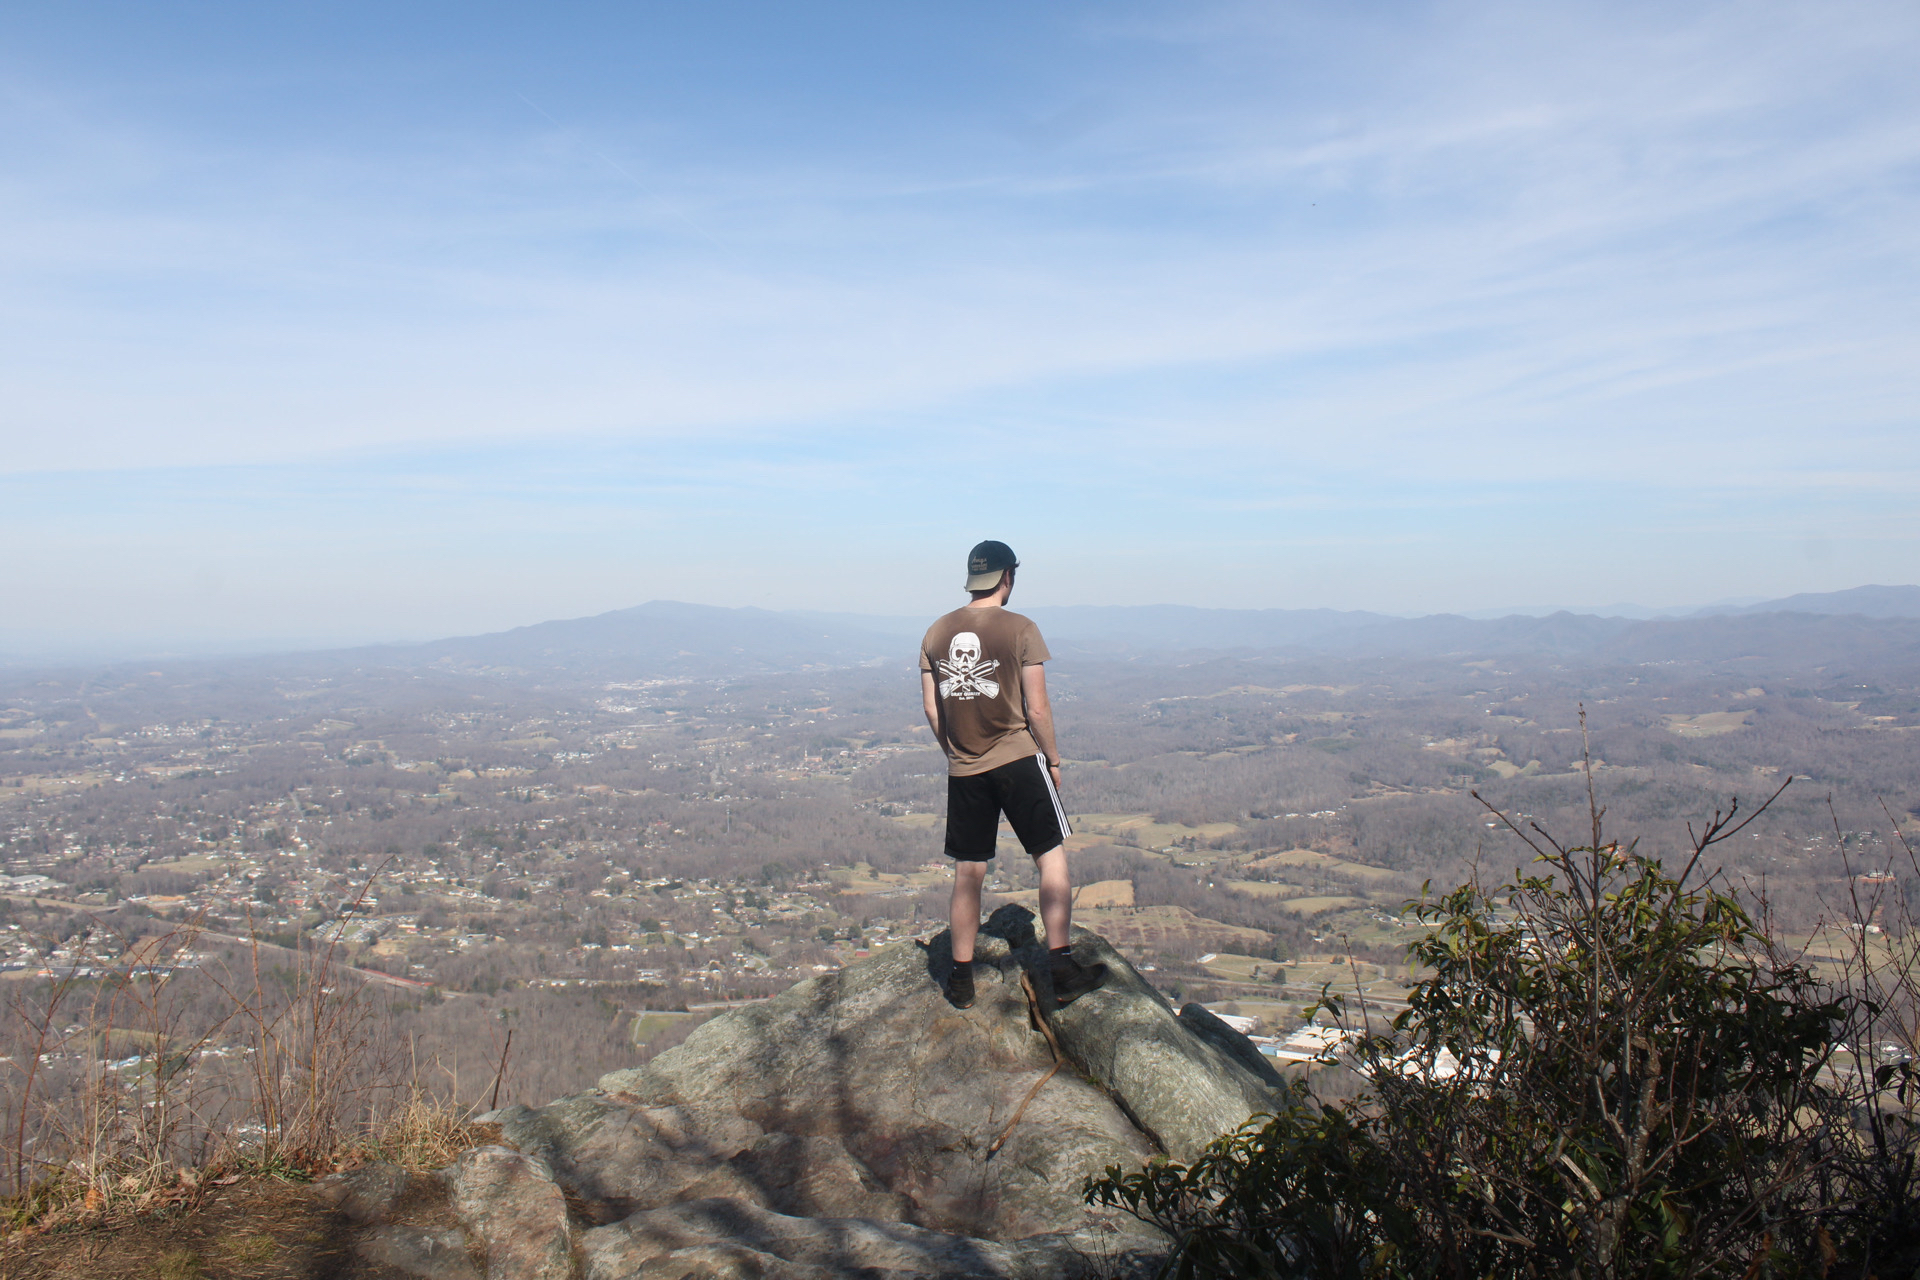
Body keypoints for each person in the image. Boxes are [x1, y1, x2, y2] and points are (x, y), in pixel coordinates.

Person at [920, 540, 1106, 1010]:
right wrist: (1054, 759)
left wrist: (956, 752)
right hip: (1019, 759)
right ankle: (1061, 967)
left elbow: (931, 707)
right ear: (1007, 578)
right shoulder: (1021, 628)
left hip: (965, 768)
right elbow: (1037, 707)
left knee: (969, 872)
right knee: (1051, 857)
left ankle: (961, 982)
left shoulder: (935, 633)